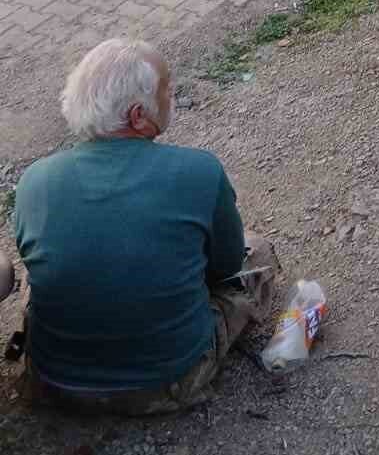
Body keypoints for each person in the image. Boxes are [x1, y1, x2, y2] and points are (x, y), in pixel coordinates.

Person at [13, 39, 276, 414]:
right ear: (138, 115)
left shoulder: (33, 180)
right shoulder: (198, 171)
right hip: (167, 380)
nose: (172, 94)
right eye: (167, 87)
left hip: (55, 381)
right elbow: (226, 266)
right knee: (258, 251)